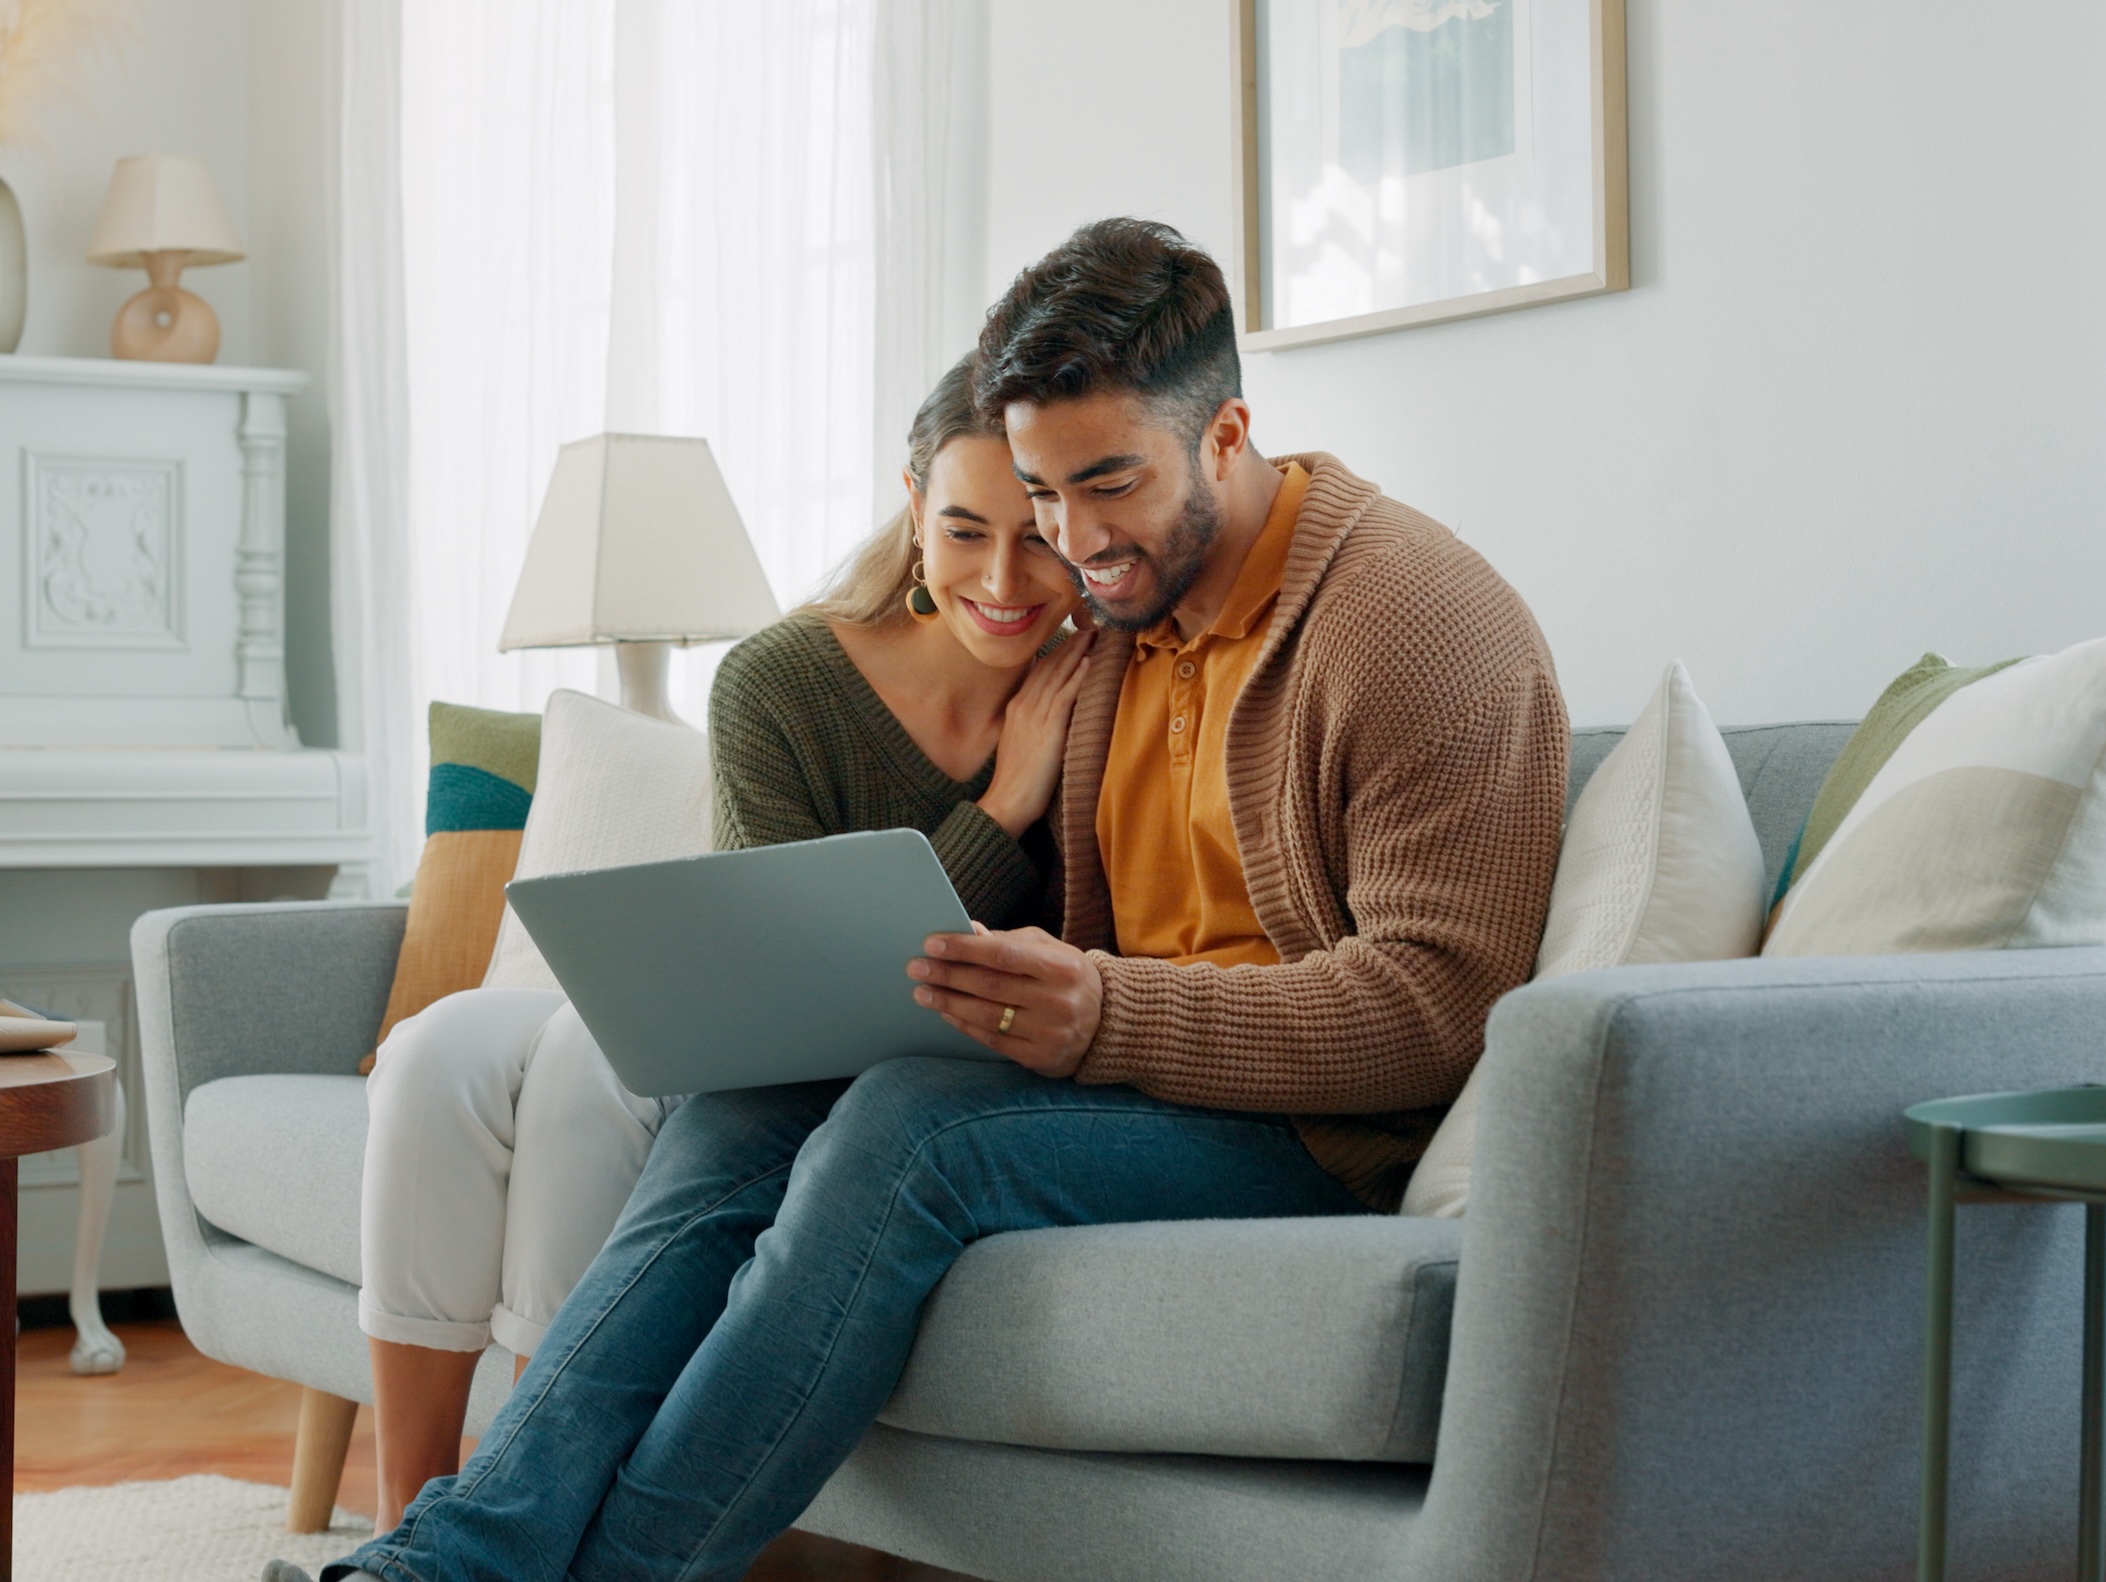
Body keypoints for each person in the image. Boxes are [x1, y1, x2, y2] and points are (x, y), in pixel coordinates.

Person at [311, 218, 1569, 1582]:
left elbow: (1443, 1009)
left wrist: (1103, 1009)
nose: (1075, 542)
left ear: (1226, 436)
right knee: (757, 1100)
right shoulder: (1117, 622)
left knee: (914, 1127)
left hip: (1319, 1129)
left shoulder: (1412, 622)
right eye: (1042, 495)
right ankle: (433, 1564)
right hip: (1139, 1082)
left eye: (1110, 485)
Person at [350, 355, 1089, 1529]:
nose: (1004, 579)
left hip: (848, 1066)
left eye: (1037, 536)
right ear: (912, 510)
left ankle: (524, 1516)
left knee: (585, 1078)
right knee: (437, 1054)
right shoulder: (784, 678)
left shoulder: (1097, 691)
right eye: (962, 530)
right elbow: (784, 978)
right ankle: (411, 1516)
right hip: (746, 1021)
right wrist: (1000, 813)